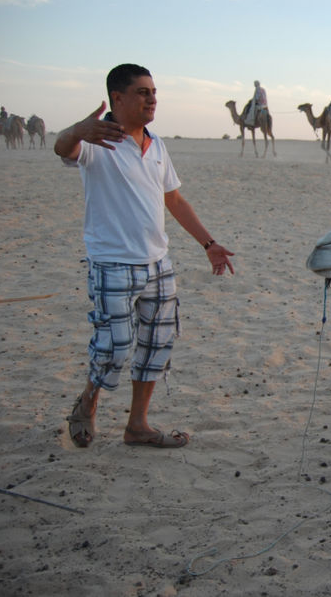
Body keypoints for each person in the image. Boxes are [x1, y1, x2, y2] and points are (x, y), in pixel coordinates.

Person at [54, 63, 235, 449]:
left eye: (153, 92)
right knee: (114, 344)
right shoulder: (96, 142)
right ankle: (87, 404)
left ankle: (137, 426)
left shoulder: (157, 145)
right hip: (112, 262)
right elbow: (63, 149)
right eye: (142, 92)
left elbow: (173, 198)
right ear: (116, 98)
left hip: (158, 264)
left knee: (156, 346)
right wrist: (75, 132)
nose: (152, 98)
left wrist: (209, 244)